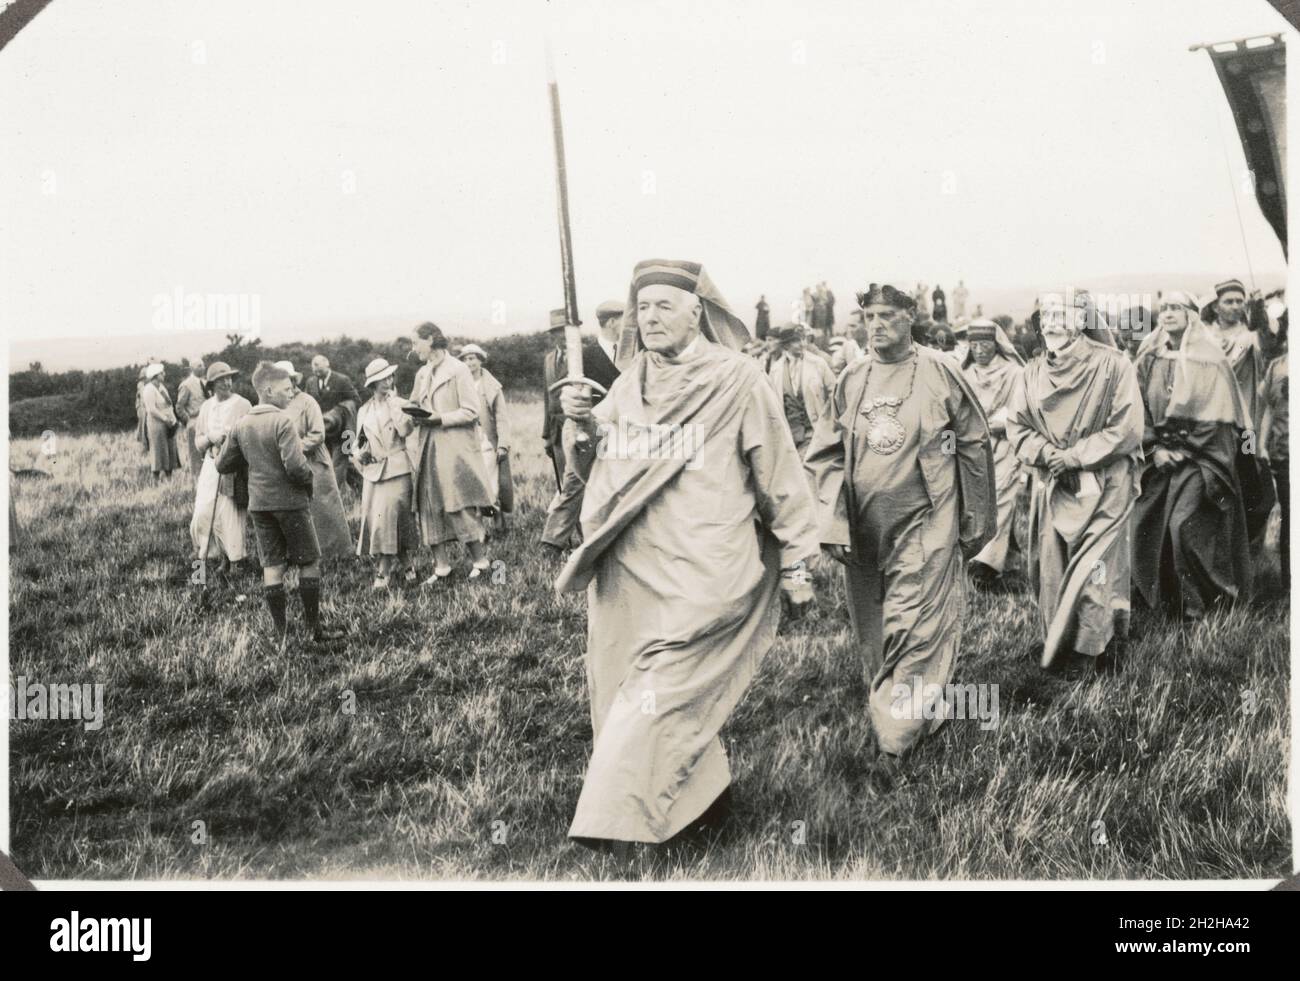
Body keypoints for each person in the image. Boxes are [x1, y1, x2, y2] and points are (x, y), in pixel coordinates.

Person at [555, 258, 818, 848]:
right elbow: (597, 467)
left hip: (707, 568)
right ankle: (707, 810)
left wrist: (798, 561)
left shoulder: (739, 380)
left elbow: (779, 470)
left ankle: (614, 823)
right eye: (641, 308)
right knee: (632, 686)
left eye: (663, 306)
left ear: (697, 313)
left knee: (664, 692)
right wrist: (580, 430)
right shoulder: (627, 384)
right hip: (630, 569)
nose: (649, 318)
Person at [806, 283, 995, 776]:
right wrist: (833, 517)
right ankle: (915, 708)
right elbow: (824, 454)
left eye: (888, 315)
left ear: (912, 317)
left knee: (914, 623)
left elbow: (973, 443)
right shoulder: (851, 378)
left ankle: (894, 742)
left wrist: (973, 515)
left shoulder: (941, 372)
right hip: (866, 527)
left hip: (927, 520)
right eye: (869, 316)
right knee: (876, 625)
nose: (877, 325)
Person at [1004, 291, 1143, 671]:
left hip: (1105, 482)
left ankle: (1089, 652)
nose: (1051, 322)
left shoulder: (1115, 366)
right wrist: (1048, 455)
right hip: (1052, 482)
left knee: (1093, 568)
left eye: (1060, 313)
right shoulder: (1030, 372)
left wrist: (1075, 457)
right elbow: (1016, 425)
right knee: (1049, 566)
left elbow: (1126, 428)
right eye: (1045, 314)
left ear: (1082, 320)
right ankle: (1059, 641)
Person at [1132, 291, 1256, 619]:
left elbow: (1219, 417)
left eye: (1176, 308)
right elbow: (1136, 408)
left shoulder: (1210, 358)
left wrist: (1182, 450)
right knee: (1145, 522)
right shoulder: (1148, 357)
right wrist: (1155, 449)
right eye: (1164, 308)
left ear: (1191, 314)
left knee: (1183, 527)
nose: (1168, 313)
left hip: (1201, 459)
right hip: (1158, 459)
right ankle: (1163, 601)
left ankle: (1208, 605)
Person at [217, 362, 345, 645]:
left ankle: (281, 635)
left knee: (272, 566)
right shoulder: (283, 421)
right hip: (291, 502)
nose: (291, 394)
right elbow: (296, 467)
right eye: (286, 389)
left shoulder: (241, 423)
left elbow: (223, 463)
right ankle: (313, 631)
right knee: (309, 561)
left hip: (259, 505)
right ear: (268, 390)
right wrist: (308, 482)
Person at [407, 322, 494, 581]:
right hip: (427, 447)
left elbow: (471, 411)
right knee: (430, 505)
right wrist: (411, 413)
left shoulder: (458, 370)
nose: (413, 349)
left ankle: (481, 561)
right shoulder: (422, 373)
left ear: (431, 339)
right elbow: (414, 403)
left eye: (416, 342)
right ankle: (441, 567)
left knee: (457, 503)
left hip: (454, 448)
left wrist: (439, 418)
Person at [962, 320, 1026, 584]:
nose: (979, 350)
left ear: (996, 344)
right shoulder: (964, 373)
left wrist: (999, 425)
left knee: (1000, 499)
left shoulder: (1014, 373)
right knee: (979, 503)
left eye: (984, 344)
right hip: (973, 449)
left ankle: (985, 566)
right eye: (974, 345)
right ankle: (1007, 559)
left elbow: (1020, 412)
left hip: (1004, 447)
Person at [353, 358, 420, 589]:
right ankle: (407, 564)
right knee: (382, 521)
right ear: (373, 383)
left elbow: (406, 430)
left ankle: (383, 573)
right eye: (383, 379)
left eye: (391, 377)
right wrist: (359, 454)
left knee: (389, 521)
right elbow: (359, 441)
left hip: (397, 469)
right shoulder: (364, 410)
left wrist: (395, 406)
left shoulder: (400, 403)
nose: (389, 382)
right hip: (374, 473)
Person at [277, 361, 353, 558]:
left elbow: (318, 434)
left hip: (313, 461)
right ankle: (300, 552)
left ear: (294, 381)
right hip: (288, 464)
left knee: (322, 504)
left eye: (288, 380)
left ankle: (335, 552)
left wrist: (294, 449)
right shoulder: (275, 406)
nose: (286, 385)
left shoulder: (307, 401)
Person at [191, 362, 252, 582]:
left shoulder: (243, 404)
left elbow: (249, 436)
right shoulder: (206, 407)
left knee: (231, 512)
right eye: (221, 380)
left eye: (229, 378)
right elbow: (198, 442)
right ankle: (220, 556)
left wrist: (230, 441)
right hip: (210, 466)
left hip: (233, 467)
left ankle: (237, 560)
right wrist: (210, 438)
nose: (227, 382)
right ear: (212, 385)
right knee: (205, 511)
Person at [459, 343, 512, 532]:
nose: (469, 362)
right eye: (465, 359)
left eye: (472, 358)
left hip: (487, 442)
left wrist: (503, 444)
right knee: (472, 486)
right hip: (467, 442)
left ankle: (498, 520)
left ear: (480, 360)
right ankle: (480, 531)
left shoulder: (492, 387)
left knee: (489, 485)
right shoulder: (460, 385)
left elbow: (502, 418)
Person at [766, 322, 835, 457]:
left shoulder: (818, 363)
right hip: (788, 436)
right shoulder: (775, 370)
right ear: (785, 345)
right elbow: (771, 405)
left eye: (803, 339)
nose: (802, 344)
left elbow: (835, 394)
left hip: (815, 431)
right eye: (796, 341)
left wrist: (828, 422)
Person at [1259, 293, 1289, 589]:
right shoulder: (1277, 366)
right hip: (1283, 452)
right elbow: (1267, 406)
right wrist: (1260, 445)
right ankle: (1288, 583)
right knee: (1290, 516)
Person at [304, 355, 360, 497]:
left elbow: (355, 400)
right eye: (313, 366)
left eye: (317, 365)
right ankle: (360, 490)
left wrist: (339, 412)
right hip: (322, 434)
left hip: (343, 434)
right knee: (332, 467)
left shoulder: (342, 380)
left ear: (327, 363)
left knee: (338, 467)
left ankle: (337, 501)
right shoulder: (311, 383)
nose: (315, 368)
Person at [141, 364, 180, 478]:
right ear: (156, 375)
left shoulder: (161, 387)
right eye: (162, 373)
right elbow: (151, 409)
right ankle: (156, 480)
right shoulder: (148, 389)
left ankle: (169, 479)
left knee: (170, 450)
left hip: (168, 423)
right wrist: (165, 419)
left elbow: (168, 404)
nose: (164, 374)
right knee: (158, 450)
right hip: (157, 424)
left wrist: (173, 420)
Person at [175, 361, 207, 478]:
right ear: (192, 368)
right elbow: (179, 406)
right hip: (194, 422)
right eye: (199, 365)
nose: (203, 367)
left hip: (208, 422)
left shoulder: (206, 383)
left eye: (203, 365)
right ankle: (196, 483)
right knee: (196, 456)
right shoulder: (186, 385)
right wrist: (188, 420)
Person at [135, 367, 150, 453]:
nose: (144, 379)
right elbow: (138, 398)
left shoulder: (152, 386)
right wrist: (138, 408)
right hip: (142, 412)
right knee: (142, 431)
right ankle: (144, 448)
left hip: (150, 412)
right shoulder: (140, 385)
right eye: (143, 377)